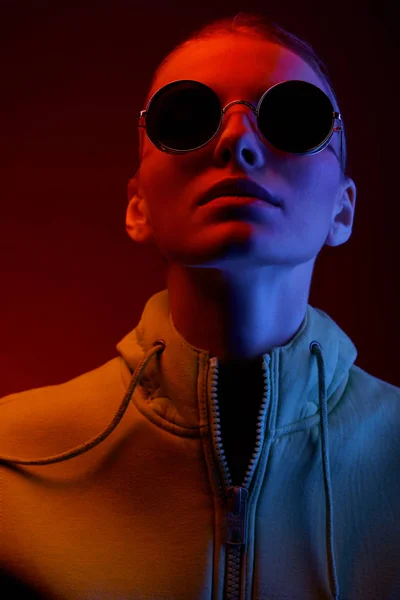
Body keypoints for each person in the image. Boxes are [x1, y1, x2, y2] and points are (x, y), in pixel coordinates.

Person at [0, 11, 399, 600]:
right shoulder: (12, 464)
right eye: (185, 118)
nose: (237, 140)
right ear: (137, 206)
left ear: (344, 209)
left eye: (293, 117)